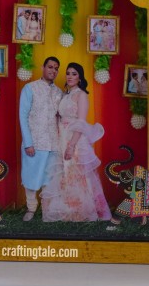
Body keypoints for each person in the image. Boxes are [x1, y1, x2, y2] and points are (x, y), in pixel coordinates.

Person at [41, 63, 112, 222]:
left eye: (74, 74)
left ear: (80, 77)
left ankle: (82, 211)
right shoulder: (66, 95)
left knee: (77, 173)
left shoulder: (81, 95)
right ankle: (68, 210)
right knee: (64, 173)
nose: (70, 76)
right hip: (62, 137)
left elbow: (81, 122)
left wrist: (72, 145)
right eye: (68, 73)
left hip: (75, 139)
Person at [18, 57, 63, 221]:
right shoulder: (30, 88)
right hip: (35, 142)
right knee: (31, 177)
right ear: (43, 67)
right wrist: (28, 143)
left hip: (54, 143)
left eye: (56, 68)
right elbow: (23, 116)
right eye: (50, 67)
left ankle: (47, 211)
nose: (53, 70)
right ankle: (31, 208)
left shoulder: (59, 92)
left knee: (49, 179)